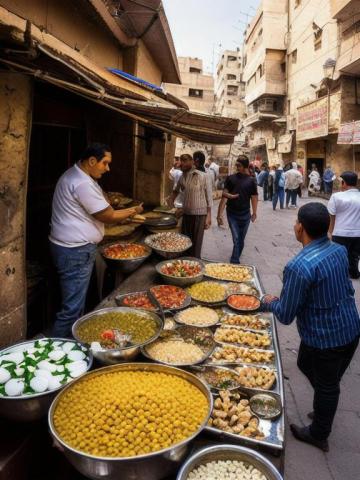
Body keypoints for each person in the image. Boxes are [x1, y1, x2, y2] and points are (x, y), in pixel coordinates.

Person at [262, 202, 360, 452]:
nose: (295, 226)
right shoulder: (338, 250)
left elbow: (285, 314)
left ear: (301, 228)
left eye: (296, 222)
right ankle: (324, 404)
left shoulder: (299, 266)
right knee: (308, 365)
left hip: (326, 338)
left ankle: (319, 433)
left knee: (328, 385)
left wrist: (267, 302)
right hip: (350, 327)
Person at [50, 143, 143, 337]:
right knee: (71, 309)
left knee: (76, 304)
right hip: (75, 251)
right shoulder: (81, 182)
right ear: (92, 161)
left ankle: (74, 341)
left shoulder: (79, 176)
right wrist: (134, 210)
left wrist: (124, 213)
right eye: (105, 163)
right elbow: (107, 215)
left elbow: (103, 206)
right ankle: (57, 354)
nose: (108, 168)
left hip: (73, 248)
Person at [170, 153, 212, 258]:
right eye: (181, 160)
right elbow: (175, 191)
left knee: (196, 246)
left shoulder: (203, 176)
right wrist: (171, 204)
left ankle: (195, 265)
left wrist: (209, 216)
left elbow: (209, 198)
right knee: (185, 244)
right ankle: (186, 264)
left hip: (199, 215)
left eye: (185, 160)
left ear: (192, 162)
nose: (181, 163)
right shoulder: (181, 177)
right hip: (186, 214)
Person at [217, 155, 258, 264]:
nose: (236, 167)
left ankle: (236, 256)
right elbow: (224, 195)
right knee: (236, 238)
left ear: (245, 166)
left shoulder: (251, 181)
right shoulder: (231, 178)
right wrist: (219, 215)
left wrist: (254, 213)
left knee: (241, 239)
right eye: (236, 165)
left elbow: (254, 197)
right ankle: (234, 261)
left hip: (245, 214)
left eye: (239, 165)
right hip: (232, 213)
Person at [328, 171, 360, 279]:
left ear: (344, 183)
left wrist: (330, 232)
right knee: (354, 256)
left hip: (340, 233)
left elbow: (332, 216)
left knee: (339, 257)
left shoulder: (336, 196)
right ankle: (354, 273)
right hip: (358, 233)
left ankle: (339, 277)